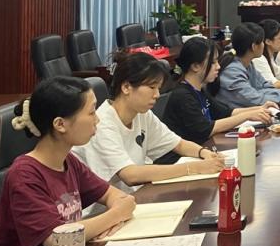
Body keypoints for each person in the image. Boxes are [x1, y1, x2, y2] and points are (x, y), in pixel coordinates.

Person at [0, 78, 137, 246]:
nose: (97, 120)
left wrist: (117, 210)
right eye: (91, 112)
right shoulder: (25, 175)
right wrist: (116, 215)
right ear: (60, 124)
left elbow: (116, 196)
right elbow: (57, 240)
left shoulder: (68, 161)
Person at [73, 53, 226, 192]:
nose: (157, 95)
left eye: (158, 88)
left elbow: (178, 144)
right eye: (152, 87)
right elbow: (130, 175)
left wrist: (204, 153)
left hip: (136, 196)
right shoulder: (102, 123)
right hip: (105, 208)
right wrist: (194, 168)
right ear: (126, 87)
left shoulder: (142, 113)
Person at [163, 37, 274, 145]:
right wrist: (247, 116)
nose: (218, 66)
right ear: (195, 66)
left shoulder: (199, 90)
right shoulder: (182, 96)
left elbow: (227, 113)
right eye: (213, 62)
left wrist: (260, 108)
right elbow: (206, 129)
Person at [215, 23, 280, 109]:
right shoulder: (232, 71)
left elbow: (265, 86)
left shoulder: (248, 64)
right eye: (262, 42)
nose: (263, 45)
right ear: (254, 46)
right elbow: (254, 99)